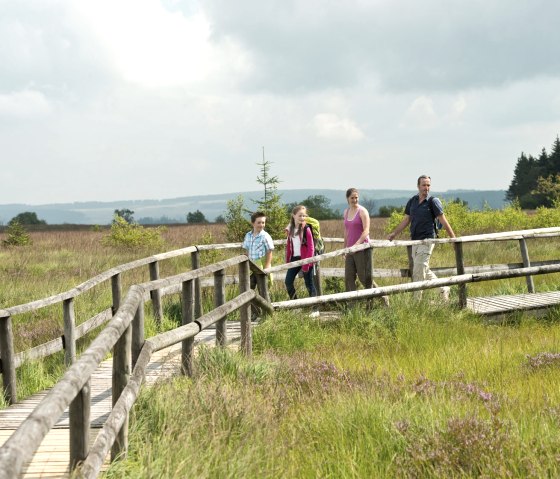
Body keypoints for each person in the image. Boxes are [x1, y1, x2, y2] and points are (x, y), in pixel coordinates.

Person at [387, 175, 456, 300]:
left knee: (418, 271)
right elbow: (407, 219)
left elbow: (443, 221)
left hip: (427, 240)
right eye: (424, 185)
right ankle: (443, 288)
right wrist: (394, 233)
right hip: (415, 240)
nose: (426, 188)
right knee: (422, 268)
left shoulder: (433, 201)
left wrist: (453, 239)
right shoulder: (413, 201)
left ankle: (416, 302)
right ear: (418, 186)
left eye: (428, 185)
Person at [242, 211, 274, 318]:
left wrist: (267, 266)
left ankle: (267, 314)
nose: (261, 225)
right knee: (247, 289)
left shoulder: (265, 236)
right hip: (251, 266)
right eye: (259, 222)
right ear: (253, 223)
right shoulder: (248, 235)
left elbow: (269, 251)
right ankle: (255, 312)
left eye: (263, 222)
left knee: (262, 290)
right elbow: (246, 251)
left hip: (260, 267)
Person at [343, 187, 376, 291]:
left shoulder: (362, 211)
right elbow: (346, 231)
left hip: (362, 248)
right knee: (349, 277)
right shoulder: (346, 212)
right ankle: (352, 304)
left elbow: (366, 231)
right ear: (347, 198)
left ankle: (382, 296)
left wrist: (357, 245)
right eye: (352, 198)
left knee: (364, 278)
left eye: (356, 197)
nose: (354, 200)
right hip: (349, 250)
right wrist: (345, 249)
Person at [284, 205, 317, 301]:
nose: (302, 218)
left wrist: (306, 263)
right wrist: (288, 261)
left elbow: (311, 248)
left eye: (304, 216)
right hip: (294, 258)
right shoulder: (290, 229)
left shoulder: (306, 229)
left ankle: (315, 307)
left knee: (309, 283)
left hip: (306, 258)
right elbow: (289, 246)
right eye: (300, 215)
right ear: (293, 215)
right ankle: (295, 303)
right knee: (288, 282)